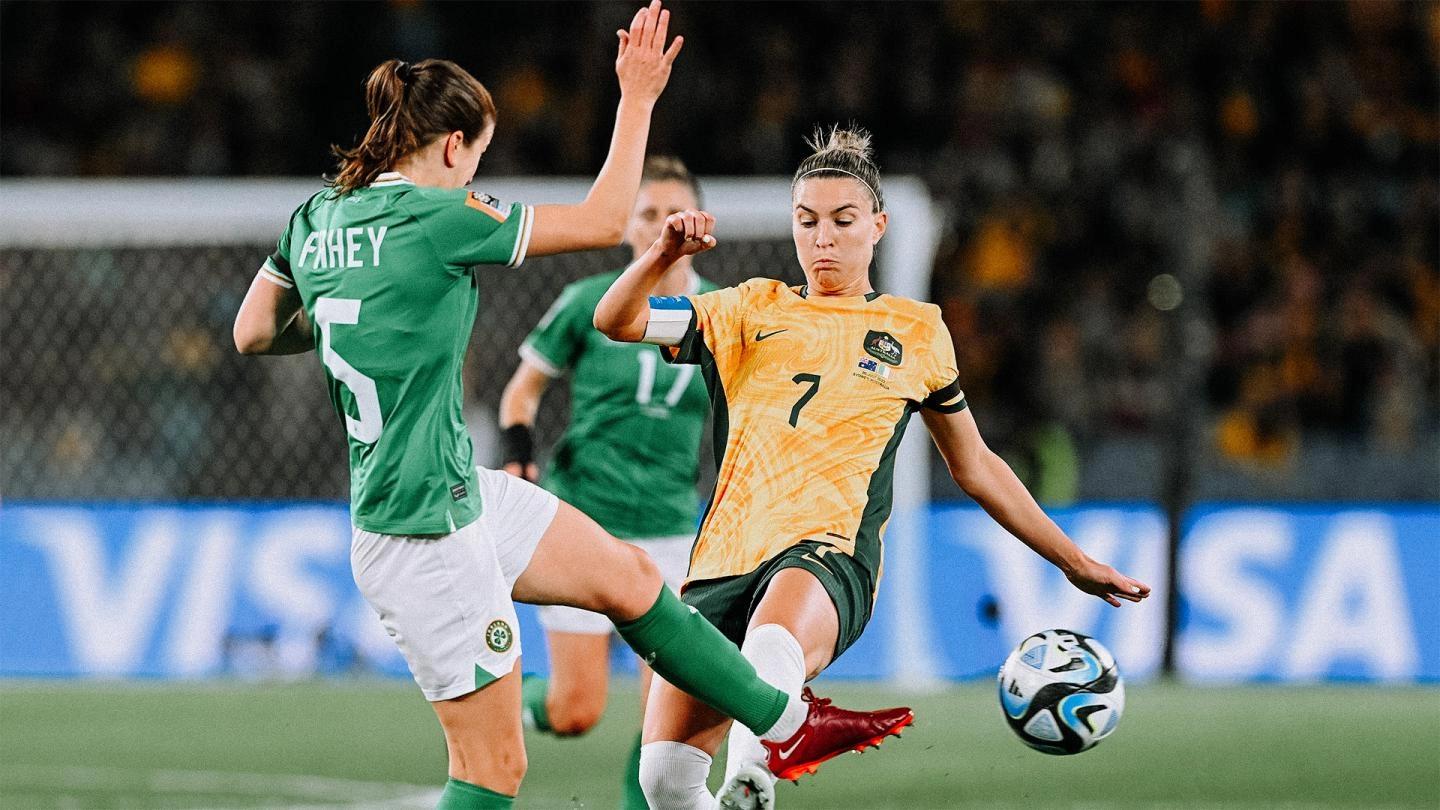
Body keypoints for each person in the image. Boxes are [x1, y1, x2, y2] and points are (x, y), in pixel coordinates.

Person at [231, 6, 911, 807]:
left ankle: (785, 723)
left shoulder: (312, 219)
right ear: (453, 147)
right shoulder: (439, 216)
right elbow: (601, 219)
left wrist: (367, 314)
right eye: (476, 159)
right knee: (492, 774)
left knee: (628, 578)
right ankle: (781, 722)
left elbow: (253, 333)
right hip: (421, 531)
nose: (472, 177)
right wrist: (637, 97)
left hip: (459, 491)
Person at [593, 125, 1153, 810]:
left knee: (775, 638)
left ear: (878, 226)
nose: (822, 238)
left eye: (842, 220)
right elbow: (615, 319)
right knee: (664, 782)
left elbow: (974, 464)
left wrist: (1069, 559)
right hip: (722, 561)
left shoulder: (915, 330)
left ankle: (754, 775)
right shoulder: (745, 309)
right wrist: (661, 255)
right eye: (807, 221)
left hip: (827, 556)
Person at [497, 155, 717, 810]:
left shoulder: (726, 313)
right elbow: (522, 393)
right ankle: (501, 701)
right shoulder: (588, 302)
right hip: (584, 522)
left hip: (674, 531)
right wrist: (518, 456)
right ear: (627, 227)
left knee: (666, 726)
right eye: (647, 213)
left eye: (674, 210)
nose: (661, 224)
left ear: (702, 224)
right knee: (575, 710)